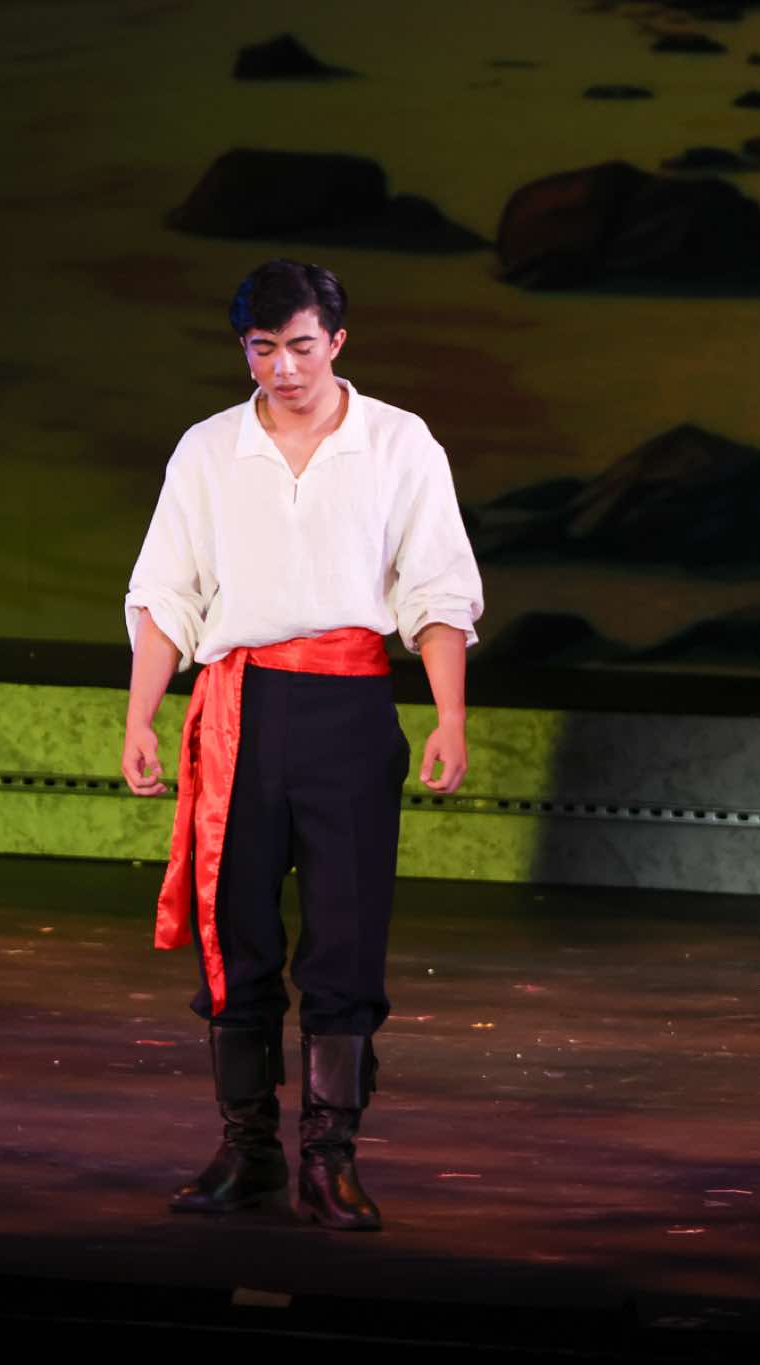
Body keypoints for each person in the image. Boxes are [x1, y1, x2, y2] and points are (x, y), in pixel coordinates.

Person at [119, 258, 483, 1231]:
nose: (282, 367)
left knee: (345, 936)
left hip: (349, 710)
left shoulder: (397, 442)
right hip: (238, 709)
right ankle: (247, 1151)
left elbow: (437, 588)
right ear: (244, 349)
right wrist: (140, 717)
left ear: (337, 342)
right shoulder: (209, 449)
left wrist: (448, 716)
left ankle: (330, 1157)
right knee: (235, 938)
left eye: (300, 346)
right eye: (262, 348)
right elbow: (166, 591)